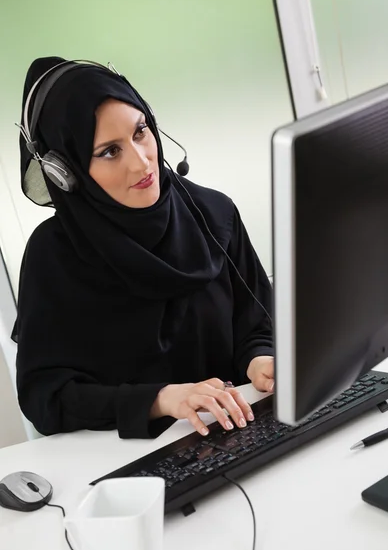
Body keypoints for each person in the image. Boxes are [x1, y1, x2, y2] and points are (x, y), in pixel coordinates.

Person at [13, 57, 274, 440]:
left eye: (140, 132)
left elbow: (256, 323)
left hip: (241, 430)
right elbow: (45, 398)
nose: (141, 163)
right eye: (109, 151)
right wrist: (161, 399)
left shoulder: (213, 213)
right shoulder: (53, 256)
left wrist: (259, 360)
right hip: (129, 465)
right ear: (64, 173)